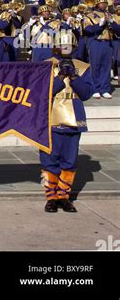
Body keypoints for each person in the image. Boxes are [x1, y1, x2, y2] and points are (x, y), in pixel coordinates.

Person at [40, 30, 93, 213]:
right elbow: (42, 93)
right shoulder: (47, 66)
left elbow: (86, 94)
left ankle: (64, 196)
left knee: (69, 161)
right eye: (63, 45)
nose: (66, 49)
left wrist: (75, 77)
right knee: (50, 160)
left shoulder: (83, 66)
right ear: (56, 46)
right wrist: (60, 77)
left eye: (69, 45)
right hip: (51, 118)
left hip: (73, 118)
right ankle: (51, 197)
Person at [83, 0, 114, 98]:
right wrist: (100, 25)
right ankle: (95, 88)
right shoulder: (90, 15)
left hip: (107, 42)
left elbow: (118, 30)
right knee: (95, 66)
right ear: (97, 4)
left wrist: (111, 22)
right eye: (102, 3)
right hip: (96, 42)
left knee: (106, 67)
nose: (104, 5)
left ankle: (105, 88)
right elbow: (88, 30)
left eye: (105, 3)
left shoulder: (110, 15)